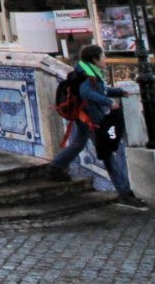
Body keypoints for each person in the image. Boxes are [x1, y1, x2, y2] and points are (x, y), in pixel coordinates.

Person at [46, 43, 145, 208]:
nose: (105, 59)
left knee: (78, 143)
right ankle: (124, 193)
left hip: (85, 117)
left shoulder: (88, 72)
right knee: (107, 154)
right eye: (102, 56)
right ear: (94, 59)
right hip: (92, 119)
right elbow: (87, 93)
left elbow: (100, 90)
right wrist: (108, 102)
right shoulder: (87, 75)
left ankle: (55, 167)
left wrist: (119, 92)